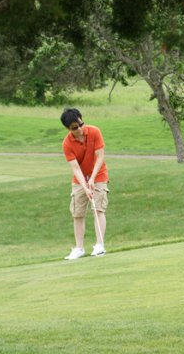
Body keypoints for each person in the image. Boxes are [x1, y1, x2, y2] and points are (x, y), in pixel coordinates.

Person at [60, 108, 109, 260]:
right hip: (79, 179)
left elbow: (100, 156)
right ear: (68, 128)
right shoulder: (67, 144)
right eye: (75, 127)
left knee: (98, 209)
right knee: (77, 213)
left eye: (81, 124)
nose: (80, 129)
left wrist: (92, 179)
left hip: (98, 175)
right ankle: (79, 248)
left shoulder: (94, 132)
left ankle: (99, 245)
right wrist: (85, 185)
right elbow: (75, 168)